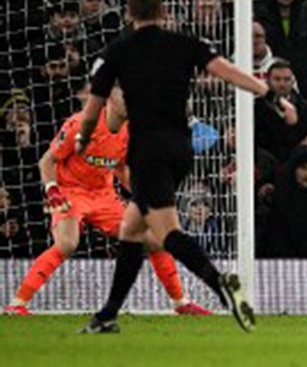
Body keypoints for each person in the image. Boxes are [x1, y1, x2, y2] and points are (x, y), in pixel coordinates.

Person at [77, 0, 279, 333]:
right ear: (163, 11)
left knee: (167, 232)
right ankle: (107, 315)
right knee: (131, 228)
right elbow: (225, 71)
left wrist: (82, 138)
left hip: (147, 151)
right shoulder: (186, 44)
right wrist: (265, 91)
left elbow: (93, 109)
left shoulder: (118, 51)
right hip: (182, 148)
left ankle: (222, 285)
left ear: (129, 13)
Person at [4, 86, 208, 316]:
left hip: (103, 195)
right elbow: (47, 161)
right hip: (70, 192)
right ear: (110, 96)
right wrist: (52, 189)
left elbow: (120, 166)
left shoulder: (131, 131)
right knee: (67, 243)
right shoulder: (82, 124)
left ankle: (181, 303)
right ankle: (17, 303)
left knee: (154, 238)